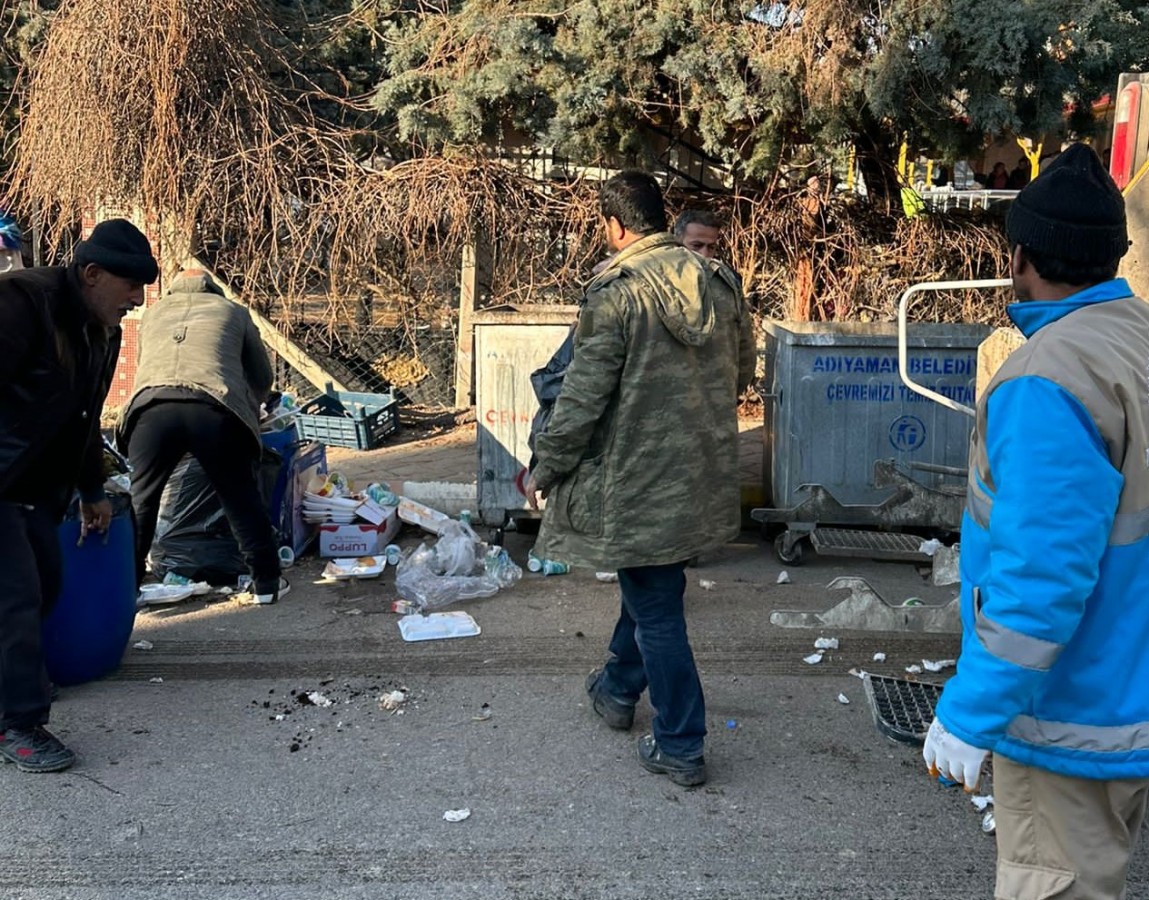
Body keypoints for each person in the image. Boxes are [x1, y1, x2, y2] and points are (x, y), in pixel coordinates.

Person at [923, 143, 1149, 899]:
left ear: (1017, 256)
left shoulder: (1046, 377)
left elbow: (1040, 577)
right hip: (1126, 696)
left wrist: (969, 712)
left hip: (1069, 716)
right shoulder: (1135, 341)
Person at [525, 171, 755, 787]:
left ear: (616, 225)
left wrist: (545, 463)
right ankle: (619, 686)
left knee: (656, 604)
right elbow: (742, 373)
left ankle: (681, 741)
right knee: (652, 581)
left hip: (636, 477)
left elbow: (581, 398)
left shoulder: (616, 293)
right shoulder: (719, 282)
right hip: (698, 473)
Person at [0, 218, 158, 773]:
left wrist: (92, 487)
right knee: (13, 598)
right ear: (91, 274)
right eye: (130, 286)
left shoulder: (101, 330)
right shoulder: (22, 303)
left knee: (45, 586)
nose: (137, 301)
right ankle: (18, 724)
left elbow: (84, 416)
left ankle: (12, 692)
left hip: (35, 487)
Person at [117, 268, 287, 604]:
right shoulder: (233, 312)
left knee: (141, 501)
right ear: (214, 291)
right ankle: (266, 583)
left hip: (150, 410)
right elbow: (262, 375)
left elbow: (147, 365)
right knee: (239, 496)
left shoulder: (153, 314)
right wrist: (251, 404)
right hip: (214, 410)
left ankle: (126, 587)